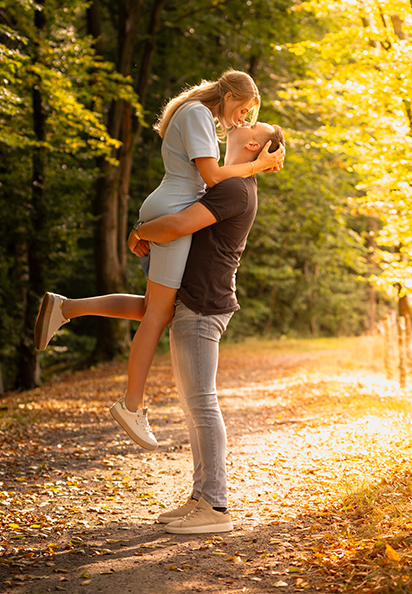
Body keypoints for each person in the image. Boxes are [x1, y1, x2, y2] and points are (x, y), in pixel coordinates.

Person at [34, 120, 284, 533]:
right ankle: (200, 497)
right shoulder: (227, 183)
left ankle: (216, 507)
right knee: (185, 386)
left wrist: (139, 232)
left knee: (202, 404)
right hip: (193, 298)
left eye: (253, 122)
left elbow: (177, 226)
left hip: (204, 306)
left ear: (254, 143)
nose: (242, 120)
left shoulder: (236, 189)